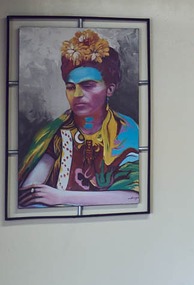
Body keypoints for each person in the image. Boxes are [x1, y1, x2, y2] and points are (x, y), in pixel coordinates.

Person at [17, 29, 140, 207]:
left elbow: (134, 197)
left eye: (88, 85)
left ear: (110, 89)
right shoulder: (58, 131)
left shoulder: (126, 130)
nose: (77, 94)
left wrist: (61, 197)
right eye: (70, 87)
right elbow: (30, 192)